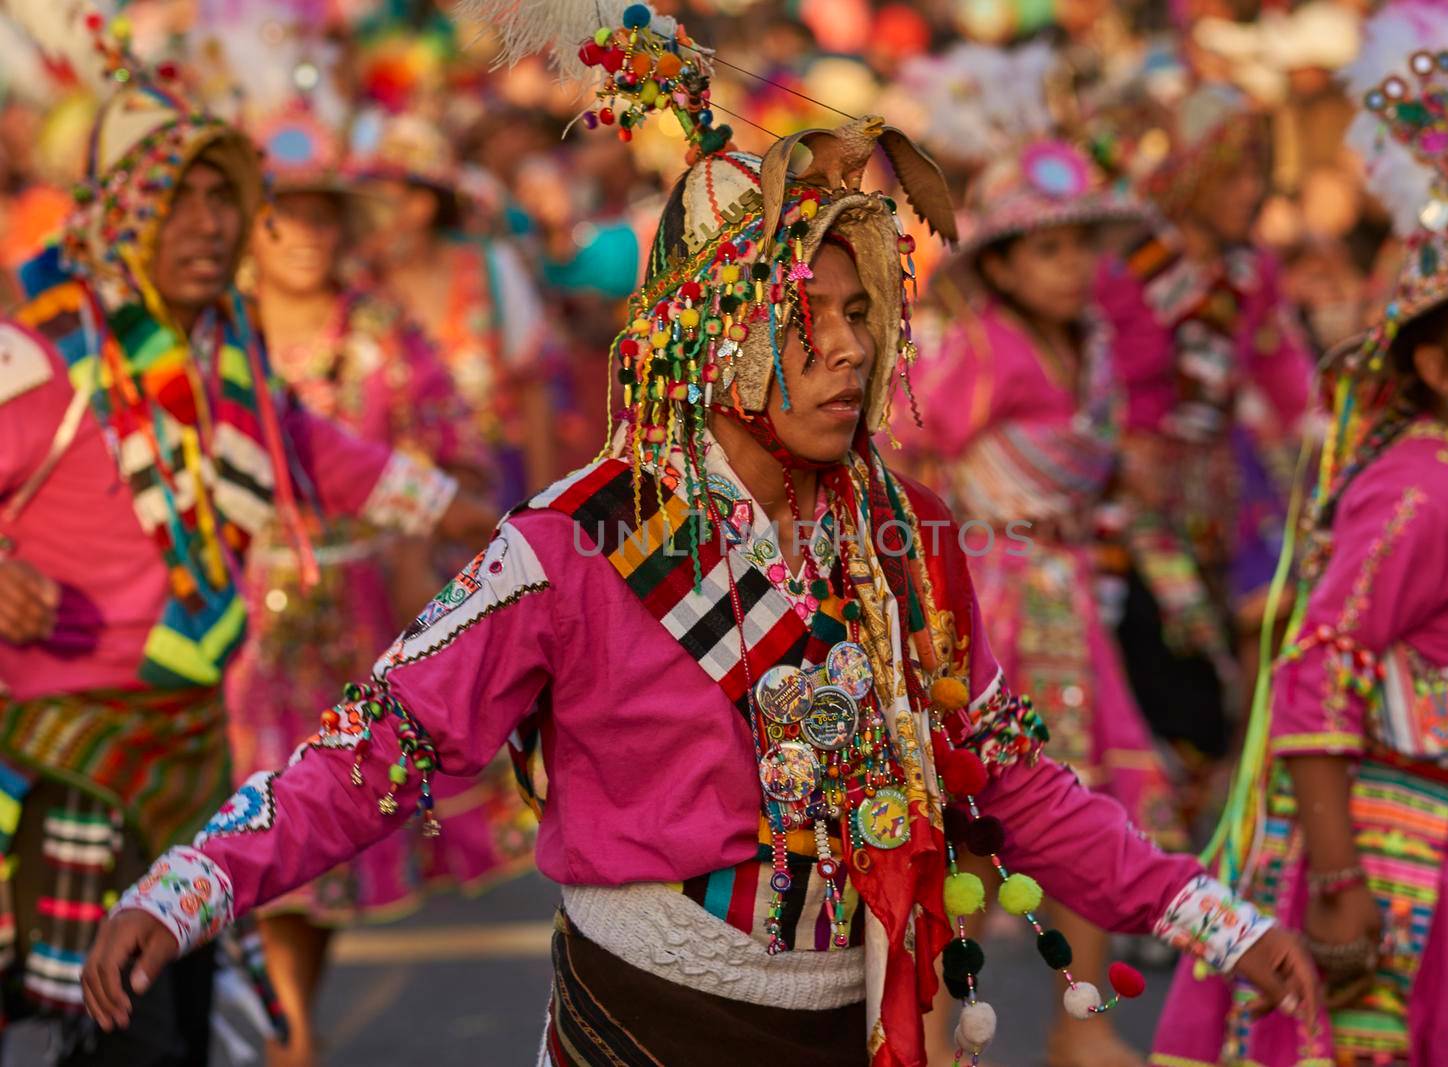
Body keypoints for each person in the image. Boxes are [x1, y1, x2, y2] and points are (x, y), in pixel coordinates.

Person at [81, 6, 1319, 1065]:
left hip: (859, 1021)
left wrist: (1214, 916)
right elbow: (378, 746)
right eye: (805, 317)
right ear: (707, 339)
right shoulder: (573, 542)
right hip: (642, 1025)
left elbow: (1009, 778)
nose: (847, 348)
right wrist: (192, 883)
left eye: (860, 313)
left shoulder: (905, 544)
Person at [0, 47, 494, 1064]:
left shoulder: (229, 357)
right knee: (84, 1033)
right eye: (178, 202)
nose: (211, 226)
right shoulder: (42, 353)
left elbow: (315, 451)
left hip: (190, 754)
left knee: (167, 1034)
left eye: (227, 202)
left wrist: (469, 518)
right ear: (120, 214)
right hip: (69, 761)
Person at [1151, 3, 1448, 1063]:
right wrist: (1342, 882)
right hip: (1401, 848)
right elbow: (1317, 669)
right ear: (1434, 367)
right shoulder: (1422, 491)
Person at [229, 109, 540, 1067]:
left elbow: (457, 453)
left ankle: (288, 1022)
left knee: (309, 835)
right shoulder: (210, 333)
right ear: (250, 225)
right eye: (285, 214)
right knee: (242, 819)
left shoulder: (382, 331)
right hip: (230, 627)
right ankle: (280, 1028)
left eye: (325, 215)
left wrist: (426, 539)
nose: (307, 233)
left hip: (355, 616)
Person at [901, 139, 1185, 1067]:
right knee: (973, 816)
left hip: (1069, 591)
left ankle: (1084, 1022)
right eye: (1048, 250)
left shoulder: (1092, 346)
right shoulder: (984, 350)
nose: (1073, 268)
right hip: (992, 601)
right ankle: (938, 1031)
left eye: (1081, 248)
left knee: (1085, 802)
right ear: (1004, 266)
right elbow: (906, 444)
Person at [1095, 81, 1313, 817]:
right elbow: (1105, 380)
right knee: (1159, 666)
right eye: (1235, 175)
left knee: (1218, 668)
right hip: (1131, 507)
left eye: (1258, 174)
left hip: (1219, 499)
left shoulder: (1251, 271)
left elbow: (1283, 375)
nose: (1252, 192)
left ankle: (1190, 846)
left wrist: (1319, 431)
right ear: (1194, 173)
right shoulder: (1131, 262)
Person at [355, 113, 555, 504]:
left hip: (495, 496)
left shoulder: (490, 267)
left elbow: (535, 389)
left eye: (385, 201)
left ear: (424, 205)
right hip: (393, 506)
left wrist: (543, 509)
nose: (370, 220)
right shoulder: (358, 284)